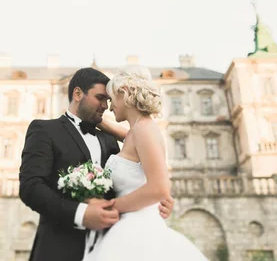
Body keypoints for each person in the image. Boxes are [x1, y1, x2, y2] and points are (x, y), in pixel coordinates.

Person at [19, 67, 174, 261]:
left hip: (114, 245)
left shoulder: (110, 139)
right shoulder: (44, 130)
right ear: (77, 93)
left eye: (109, 100)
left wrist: (158, 200)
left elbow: (136, 170)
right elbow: (31, 188)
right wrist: (81, 213)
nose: (105, 106)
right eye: (100, 98)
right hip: (59, 249)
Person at [84, 65, 208, 261]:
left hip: (138, 229)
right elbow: (126, 137)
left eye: (111, 99)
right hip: (130, 225)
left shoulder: (144, 130)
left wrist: (111, 206)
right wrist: (99, 121)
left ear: (124, 93)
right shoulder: (136, 131)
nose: (109, 107)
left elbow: (160, 188)